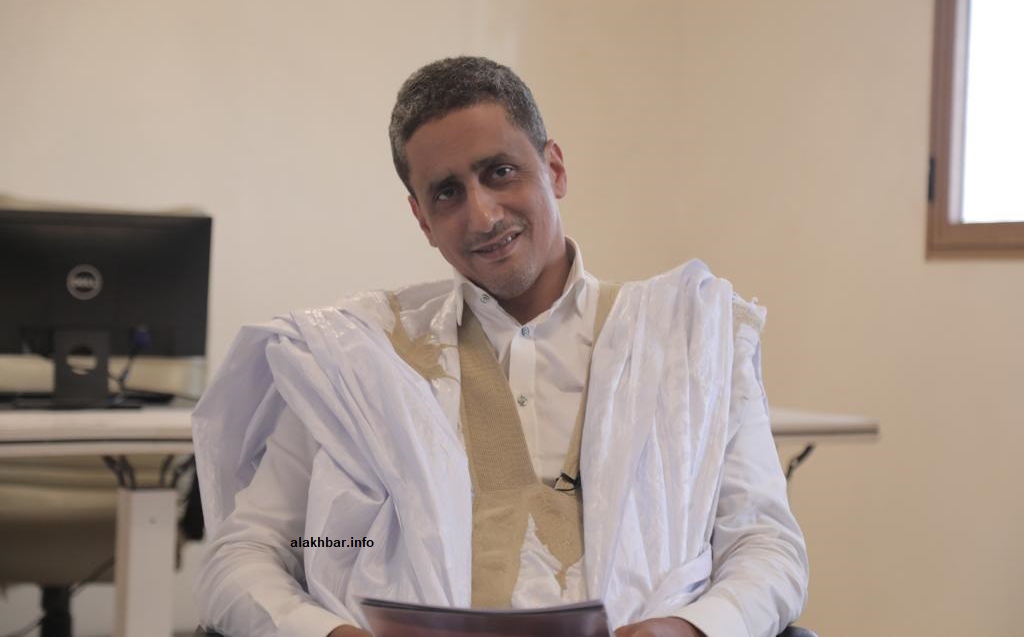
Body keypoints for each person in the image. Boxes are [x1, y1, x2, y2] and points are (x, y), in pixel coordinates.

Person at [192, 56, 809, 637]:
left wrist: (692, 627)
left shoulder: (687, 339)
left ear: (555, 169)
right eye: (447, 192)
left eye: (500, 173)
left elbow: (765, 547)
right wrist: (329, 634)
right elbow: (246, 554)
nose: (483, 216)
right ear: (422, 218)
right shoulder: (354, 361)